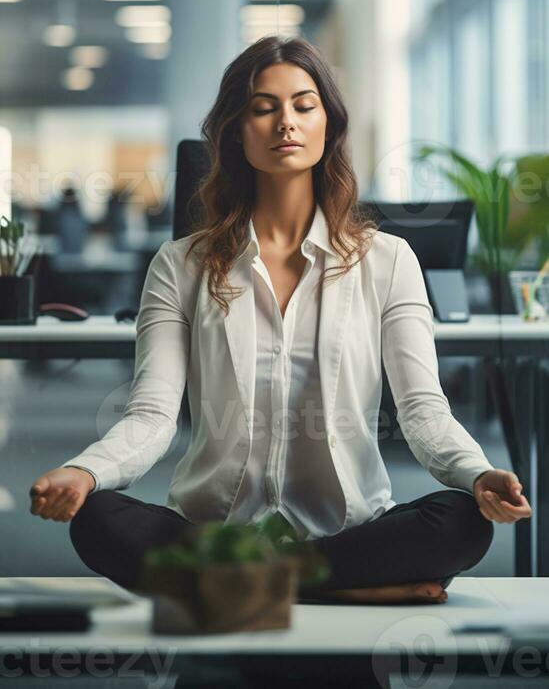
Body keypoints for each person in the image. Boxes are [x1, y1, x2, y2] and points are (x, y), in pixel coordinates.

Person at [29, 36, 532, 605]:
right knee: (97, 518)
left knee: (462, 520)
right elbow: (151, 416)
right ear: (236, 132)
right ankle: (334, 588)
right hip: (212, 534)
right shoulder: (180, 265)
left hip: (347, 532)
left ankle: (255, 587)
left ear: (328, 124)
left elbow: (421, 410)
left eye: (303, 104)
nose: (285, 122)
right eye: (263, 108)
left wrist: (477, 474)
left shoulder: (389, 261)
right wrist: (86, 471)